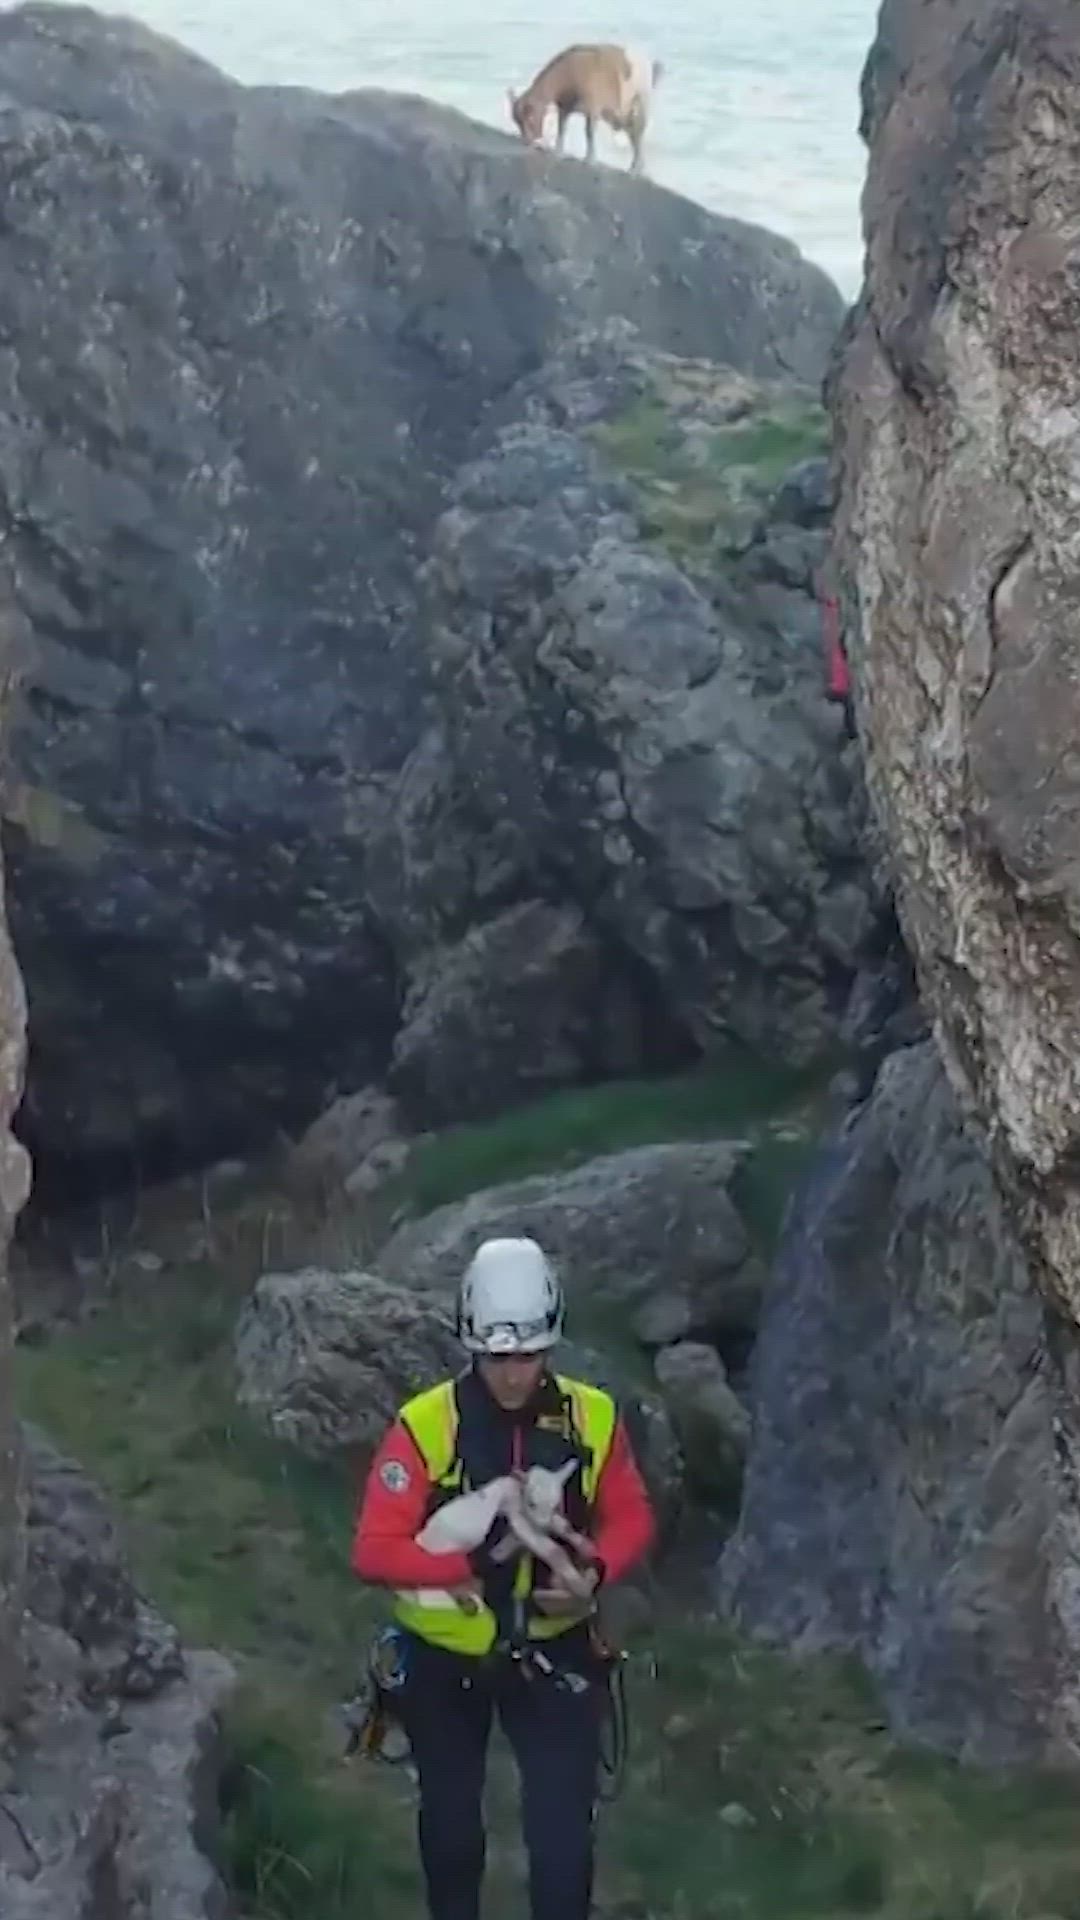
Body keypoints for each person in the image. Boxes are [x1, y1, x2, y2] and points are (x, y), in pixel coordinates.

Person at [351, 1235, 655, 1920]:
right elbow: (374, 1550)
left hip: (556, 1651)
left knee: (562, 1849)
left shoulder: (593, 1418)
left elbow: (630, 1515)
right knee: (453, 1835)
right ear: (471, 1345)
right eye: (498, 1358)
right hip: (444, 1660)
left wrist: (594, 1571)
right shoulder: (425, 1426)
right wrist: (471, 1561)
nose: (514, 1374)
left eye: (528, 1355)